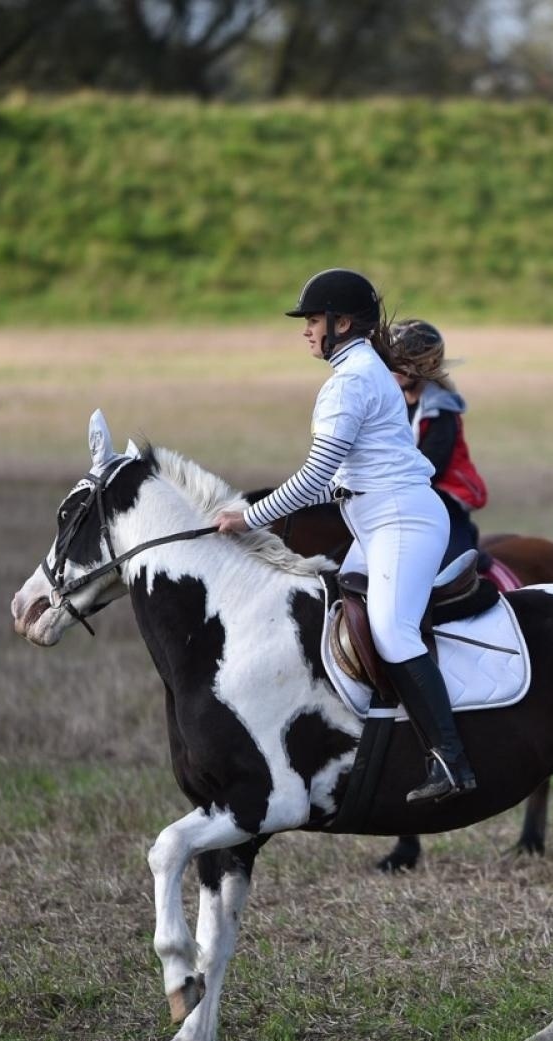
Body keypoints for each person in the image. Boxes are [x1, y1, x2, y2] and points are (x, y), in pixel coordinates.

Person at [214, 269, 476, 804]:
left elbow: (314, 477)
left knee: (393, 631)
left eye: (312, 320)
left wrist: (249, 517)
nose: (306, 330)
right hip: (376, 522)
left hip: (401, 521)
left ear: (342, 322)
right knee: (336, 608)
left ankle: (451, 760)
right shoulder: (357, 370)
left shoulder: (352, 379)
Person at [389, 319, 491, 573]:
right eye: (391, 359)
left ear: (427, 365)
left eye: (404, 360)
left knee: (450, 565)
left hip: (443, 495)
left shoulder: (440, 409)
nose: (395, 367)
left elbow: (430, 466)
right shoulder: (391, 402)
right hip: (403, 494)